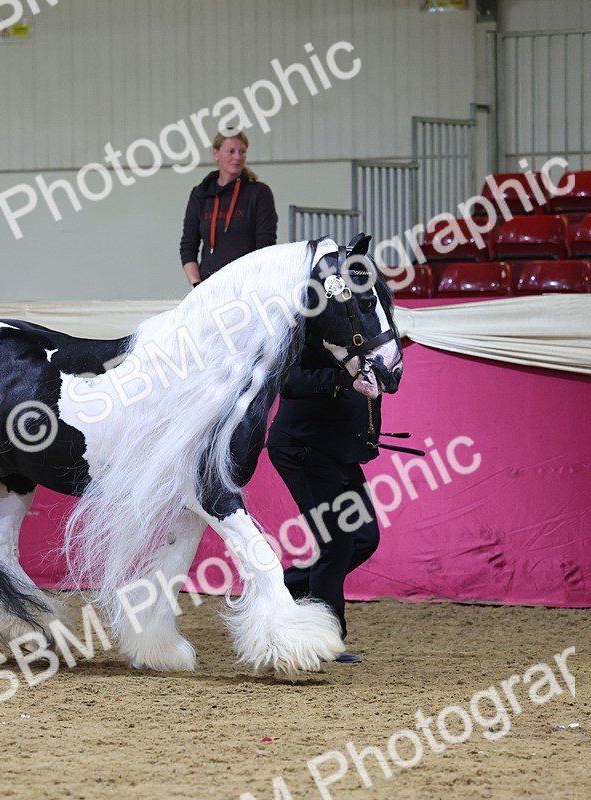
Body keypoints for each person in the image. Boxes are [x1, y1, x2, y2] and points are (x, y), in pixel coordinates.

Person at [266, 326, 384, 665]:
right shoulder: (304, 332)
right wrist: (342, 379)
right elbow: (289, 382)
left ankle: (279, 590)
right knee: (337, 543)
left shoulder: (363, 334)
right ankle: (324, 637)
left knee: (364, 538)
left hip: (338, 450)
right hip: (303, 448)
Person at [179, 131, 278, 287]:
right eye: (231, 151)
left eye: (242, 152)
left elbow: (266, 246)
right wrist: (196, 284)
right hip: (209, 285)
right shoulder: (200, 194)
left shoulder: (259, 193)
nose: (237, 157)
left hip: (246, 284)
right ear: (216, 153)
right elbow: (188, 245)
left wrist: (256, 282)